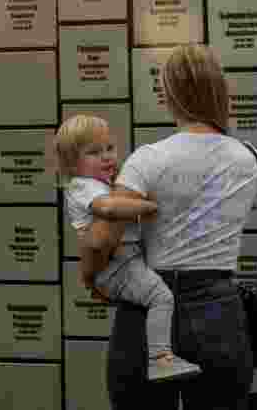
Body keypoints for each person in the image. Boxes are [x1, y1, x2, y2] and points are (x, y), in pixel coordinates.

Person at [82, 44, 257, 410]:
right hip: (218, 311)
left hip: (147, 307)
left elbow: (100, 240)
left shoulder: (148, 159)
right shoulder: (246, 157)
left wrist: (91, 279)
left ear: (169, 94)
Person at [56, 114, 202, 382]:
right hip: (117, 265)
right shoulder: (81, 186)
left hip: (122, 261)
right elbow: (110, 209)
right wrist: (150, 207)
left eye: (109, 148)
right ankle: (160, 359)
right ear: (72, 164)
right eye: (94, 152)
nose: (107, 157)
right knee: (161, 298)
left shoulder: (99, 184)